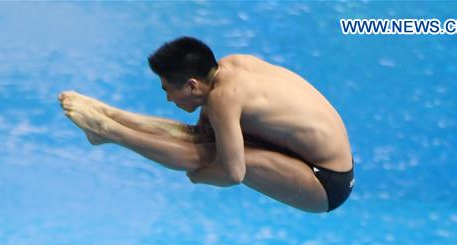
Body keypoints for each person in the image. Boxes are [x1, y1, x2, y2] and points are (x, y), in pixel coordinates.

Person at [59, 36, 354, 213]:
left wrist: (197, 175)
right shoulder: (231, 65)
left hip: (326, 182)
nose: (168, 99)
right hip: (311, 157)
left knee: (209, 157)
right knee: (202, 137)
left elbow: (233, 173)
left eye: (167, 90)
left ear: (190, 85)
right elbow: (201, 133)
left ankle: (108, 131)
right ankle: (111, 117)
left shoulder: (224, 98)